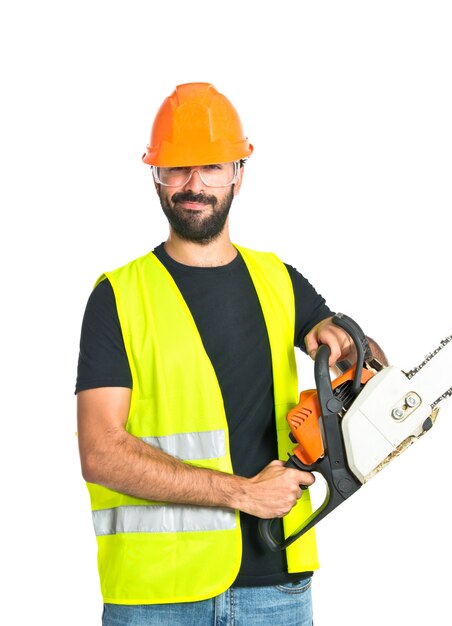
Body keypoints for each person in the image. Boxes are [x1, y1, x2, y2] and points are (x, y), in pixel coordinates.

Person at [76, 82, 387, 626]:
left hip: (277, 584)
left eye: (212, 167)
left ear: (239, 173)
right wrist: (241, 493)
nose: (193, 185)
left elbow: (363, 361)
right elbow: (100, 451)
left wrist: (354, 355)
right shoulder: (119, 297)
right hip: (157, 596)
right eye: (177, 168)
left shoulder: (280, 282)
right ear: (156, 176)